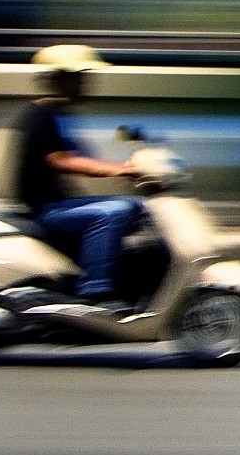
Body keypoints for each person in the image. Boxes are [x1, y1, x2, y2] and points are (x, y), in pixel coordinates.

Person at [11, 44, 143, 309]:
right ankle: (96, 290)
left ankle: (132, 278)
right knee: (110, 214)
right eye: (80, 78)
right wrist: (119, 169)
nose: (86, 84)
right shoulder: (38, 115)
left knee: (138, 207)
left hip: (60, 203)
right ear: (60, 79)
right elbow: (61, 160)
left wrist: (131, 165)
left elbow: (83, 158)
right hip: (45, 209)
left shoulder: (59, 114)